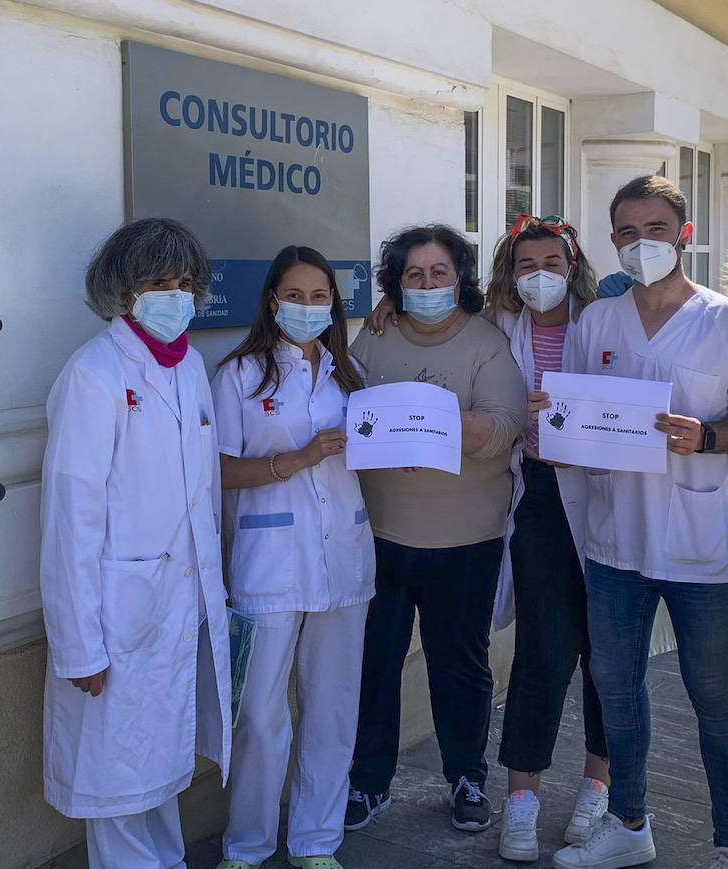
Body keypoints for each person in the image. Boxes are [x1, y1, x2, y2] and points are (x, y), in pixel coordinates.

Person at [551, 176, 728, 869]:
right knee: (615, 684)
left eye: (656, 228)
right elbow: (576, 419)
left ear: (685, 234)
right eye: (626, 232)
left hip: (702, 545)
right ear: (611, 240)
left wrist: (703, 437)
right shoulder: (596, 323)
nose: (641, 243)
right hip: (616, 541)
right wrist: (554, 420)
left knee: (712, 696)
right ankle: (628, 821)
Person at [38, 217, 230, 869]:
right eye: (158, 282)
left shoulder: (190, 366)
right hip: (115, 621)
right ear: (124, 292)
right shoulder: (93, 374)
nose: (175, 295)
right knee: (119, 784)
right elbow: (70, 519)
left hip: (175, 610)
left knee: (161, 771)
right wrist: (78, 644)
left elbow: (199, 494)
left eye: (184, 282)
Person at [345, 224, 527, 834]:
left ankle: (467, 777)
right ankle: (368, 782)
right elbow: (347, 415)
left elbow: (505, 427)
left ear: (460, 279)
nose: (426, 285)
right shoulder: (371, 339)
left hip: (465, 539)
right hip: (380, 535)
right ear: (395, 285)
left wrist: (434, 429)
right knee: (374, 663)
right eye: (413, 276)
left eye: (438, 273)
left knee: (460, 666)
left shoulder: (487, 344)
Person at [211, 246, 374, 869]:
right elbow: (217, 469)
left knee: (332, 710)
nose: (308, 308)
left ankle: (315, 844)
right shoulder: (240, 376)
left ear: (333, 303)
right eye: (296, 295)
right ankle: (247, 848)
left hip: (345, 560)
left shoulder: (348, 371)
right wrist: (297, 459)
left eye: (320, 296)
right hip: (270, 566)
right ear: (272, 300)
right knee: (258, 717)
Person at [477, 214, 608, 862]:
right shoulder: (498, 326)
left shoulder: (604, 320)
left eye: (551, 264)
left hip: (608, 497)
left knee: (607, 653)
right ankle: (521, 797)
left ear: (573, 266)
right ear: (510, 272)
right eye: (526, 265)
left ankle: (597, 788)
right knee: (543, 651)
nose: (539, 277)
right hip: (538, 498)